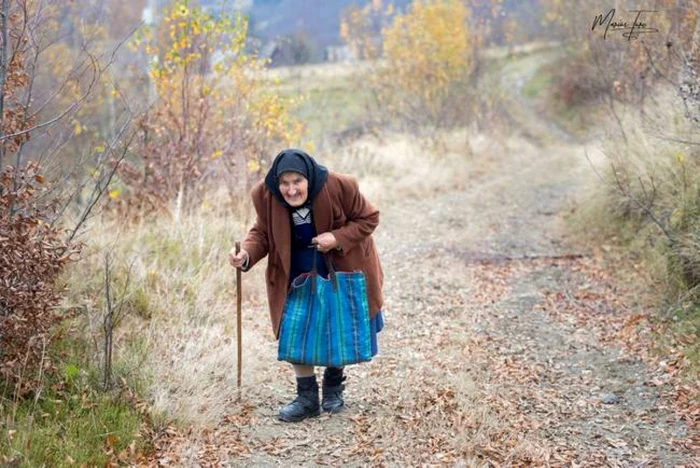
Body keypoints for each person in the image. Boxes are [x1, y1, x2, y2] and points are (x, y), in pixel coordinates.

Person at [229, 149, 384, 422]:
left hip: (340, 262)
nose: (291, 190)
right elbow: (262, 233)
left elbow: (368, 218)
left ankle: (334, 386)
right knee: (296, 329)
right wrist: (246, 255)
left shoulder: (339, 186)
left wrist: (336, 238)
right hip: (295, 268)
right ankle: (307, 397)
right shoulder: (264, 195)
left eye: (296, 182)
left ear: (308, 179)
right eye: (284, 183)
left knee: (336, 324)